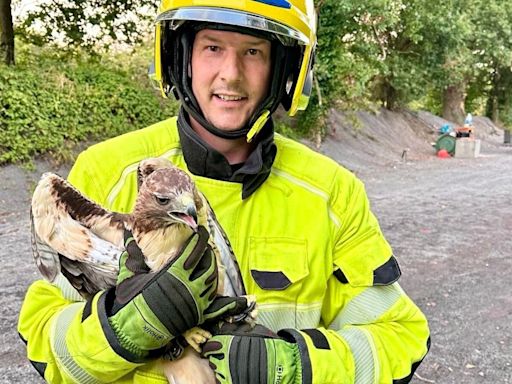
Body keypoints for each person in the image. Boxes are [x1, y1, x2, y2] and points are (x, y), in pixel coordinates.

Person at [18, 0, 430, 382]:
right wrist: (119, 330)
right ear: (181, 58)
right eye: (212, 47)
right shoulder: (106, 170)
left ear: (284, 68)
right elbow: (44, 335)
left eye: (253, 52)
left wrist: (295, 365)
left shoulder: (331, 192)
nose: (230, 73)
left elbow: (399, 339)